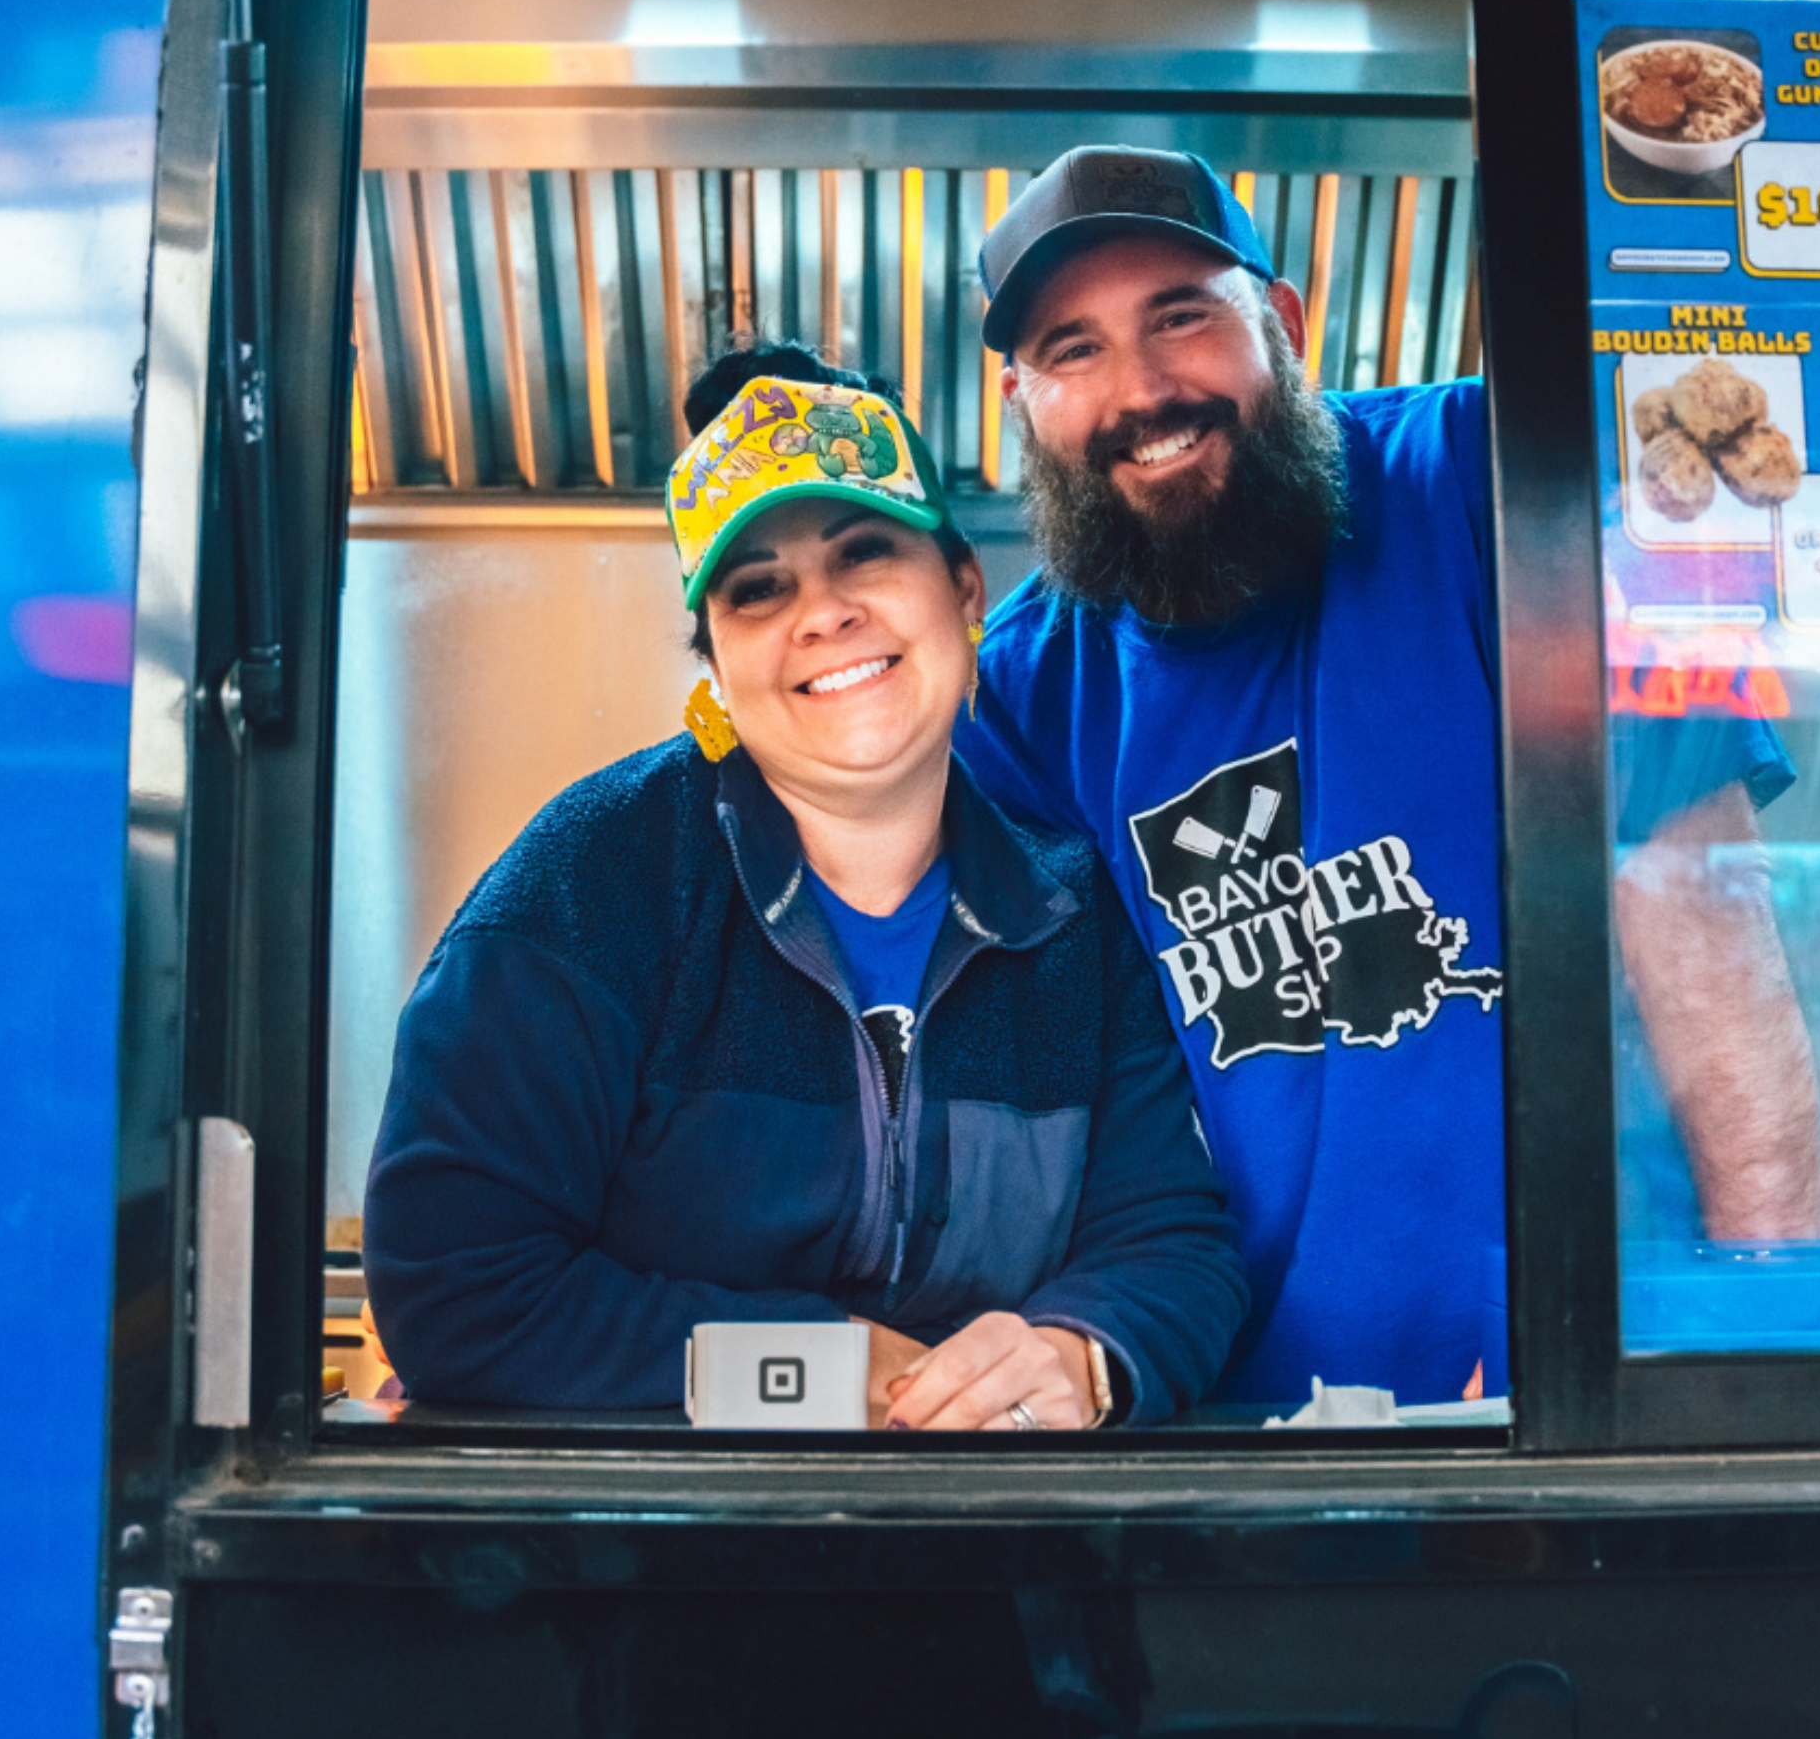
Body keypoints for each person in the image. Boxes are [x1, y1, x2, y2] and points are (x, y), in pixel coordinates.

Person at [956, 144, 1820, 1411]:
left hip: (1584, 1404)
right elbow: (1055, 1115)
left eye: (1183, 317)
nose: (1141, 391)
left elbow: (1712, 944)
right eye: (1072, 350)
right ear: (1020, 400)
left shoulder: (1488, 484)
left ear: (1286, 324)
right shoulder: (1022, 700)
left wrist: (1767, 1369)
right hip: (1224, 1432)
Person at [362, 341, 1247, 1426]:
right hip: (625, 1566)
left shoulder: (1070, 914)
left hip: (978, 1560)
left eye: (864, 553)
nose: (820, 614)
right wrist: (815, 1368)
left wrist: (1084, 1351)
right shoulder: (586, 888)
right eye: (758, 588)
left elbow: (1173, 1245)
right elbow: (456, 1287)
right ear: (716, 669)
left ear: (965, 589)